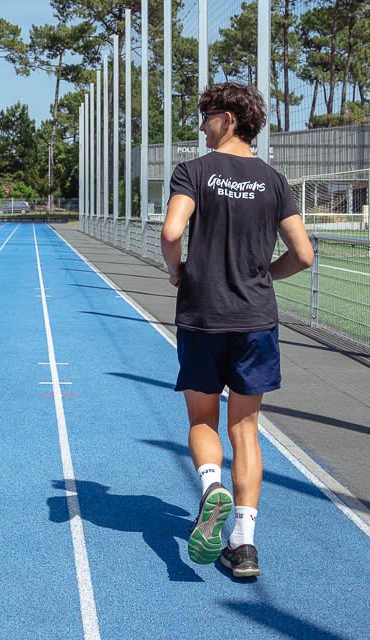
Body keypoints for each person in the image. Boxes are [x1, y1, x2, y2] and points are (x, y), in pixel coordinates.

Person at [160, 82, 313, 578]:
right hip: (255, 319)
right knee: (245, 429)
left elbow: (171, 231)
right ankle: (244, 545)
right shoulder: (274, 180)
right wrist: (265, 274)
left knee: (202, 419)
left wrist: (177, 270)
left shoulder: (193, 171)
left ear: (227, 119)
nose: (202, 126)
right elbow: (304, 255)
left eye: (206, 116)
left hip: (203, 316)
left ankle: (212, 486)